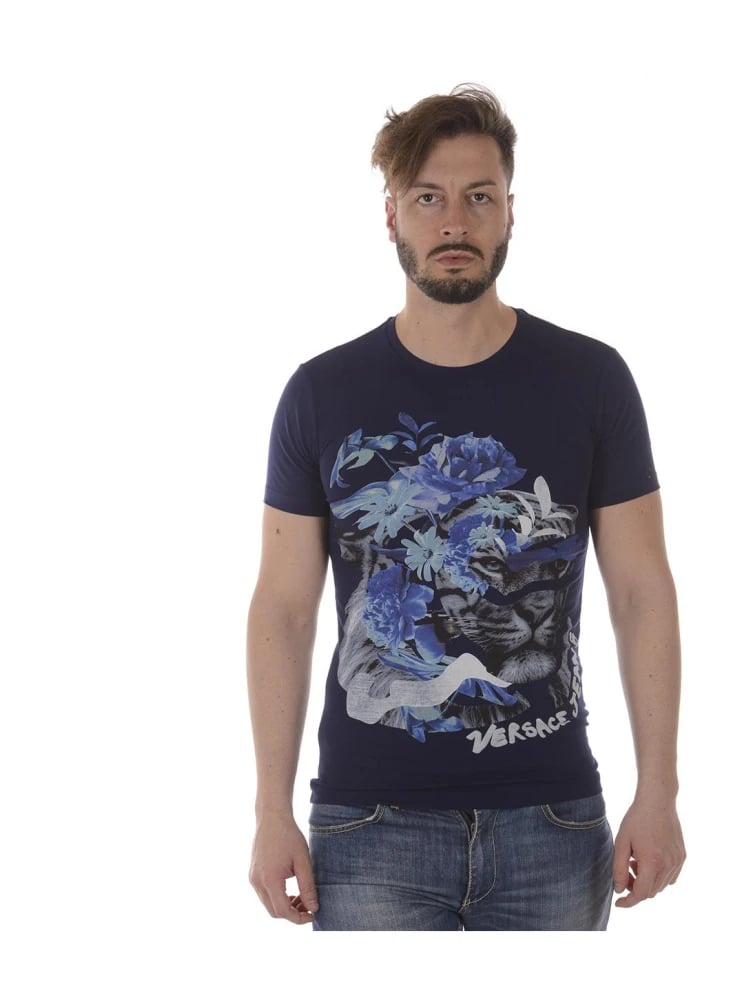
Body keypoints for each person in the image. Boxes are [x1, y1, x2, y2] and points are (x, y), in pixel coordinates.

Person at [246, 84, 685, 931]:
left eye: (479, 196)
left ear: (511, 211)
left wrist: (659, 790)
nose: (454, 222)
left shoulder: (591, 380)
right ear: (391, 216)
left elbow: (641, 592)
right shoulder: (321, 392)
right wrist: (271, 811)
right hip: (370, 825)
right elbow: (285, 609)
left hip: (553, 821)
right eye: (428, 198)